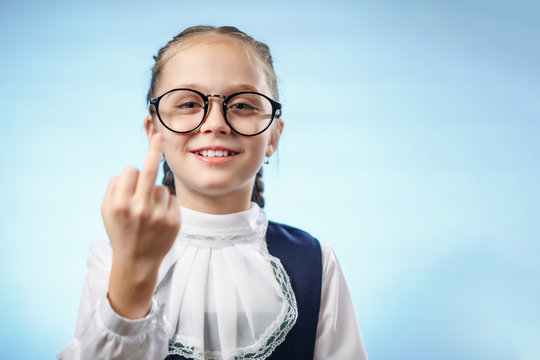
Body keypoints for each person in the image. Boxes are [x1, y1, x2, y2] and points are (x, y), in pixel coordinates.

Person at [58, 25, 368, 360]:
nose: (215, 123)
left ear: (274, 134)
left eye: (244, 106)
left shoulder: (315, 262)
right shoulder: (113, 259)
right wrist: (133, 279)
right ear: (154, 129)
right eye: (190, 103)